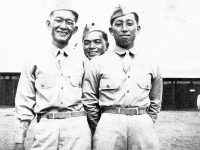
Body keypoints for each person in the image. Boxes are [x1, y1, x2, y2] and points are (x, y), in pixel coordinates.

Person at [82, 4, 163, 150]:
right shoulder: (97, 63)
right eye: (118, 24)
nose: (124, 28)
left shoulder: (151, 63)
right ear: (111, 30)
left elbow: (156, 100)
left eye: (129, 24)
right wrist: (103, 125)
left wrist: (146, 121)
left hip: (143, 125)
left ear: (138, 29)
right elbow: (89, 101)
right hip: (108, 125)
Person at [14, 0, 91, 150]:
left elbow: (91, 100)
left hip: (77, 130)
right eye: (58, 20)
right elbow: (24, 102)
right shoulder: (34, 61)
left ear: (75, 30)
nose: (63, 26)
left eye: (69, 22)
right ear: (48, 24)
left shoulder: (83, 62)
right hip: (46, 129)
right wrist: (19, 140)